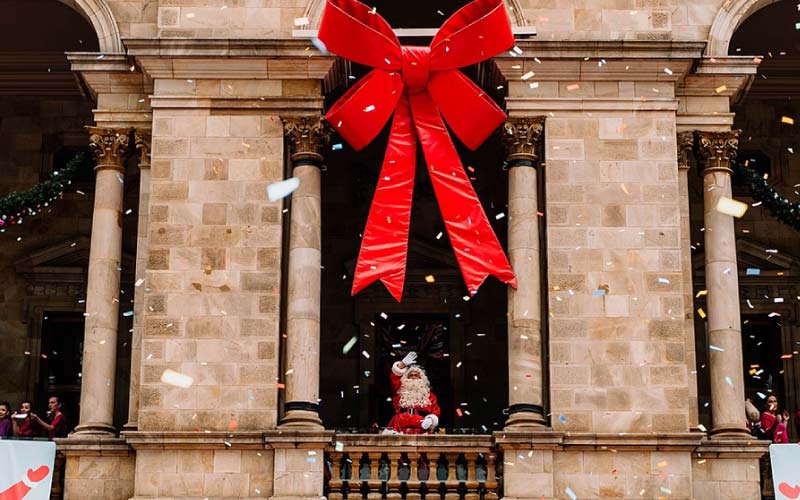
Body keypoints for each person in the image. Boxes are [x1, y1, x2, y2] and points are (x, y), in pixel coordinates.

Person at [385, 351, 441, 434]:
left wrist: (431, 419)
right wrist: (402, 365)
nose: (413, 377)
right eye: (410, 375)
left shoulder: (429, 396)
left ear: (421, 378)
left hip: (422, 426)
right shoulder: (400, 391)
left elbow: (436, 411)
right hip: (399, 425)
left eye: (416, 375)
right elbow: (394, 377)